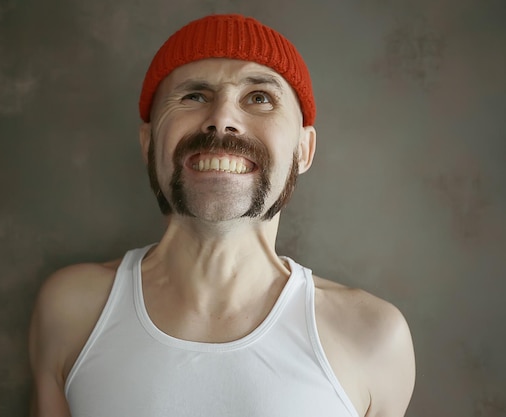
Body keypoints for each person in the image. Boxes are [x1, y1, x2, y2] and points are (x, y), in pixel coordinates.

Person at [29, 14, 415, 417]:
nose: (222, 118)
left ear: (304, 149)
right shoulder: (70, 310)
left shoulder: (373, 338)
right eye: (194, 96)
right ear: (149, 143)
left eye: (260, 98)